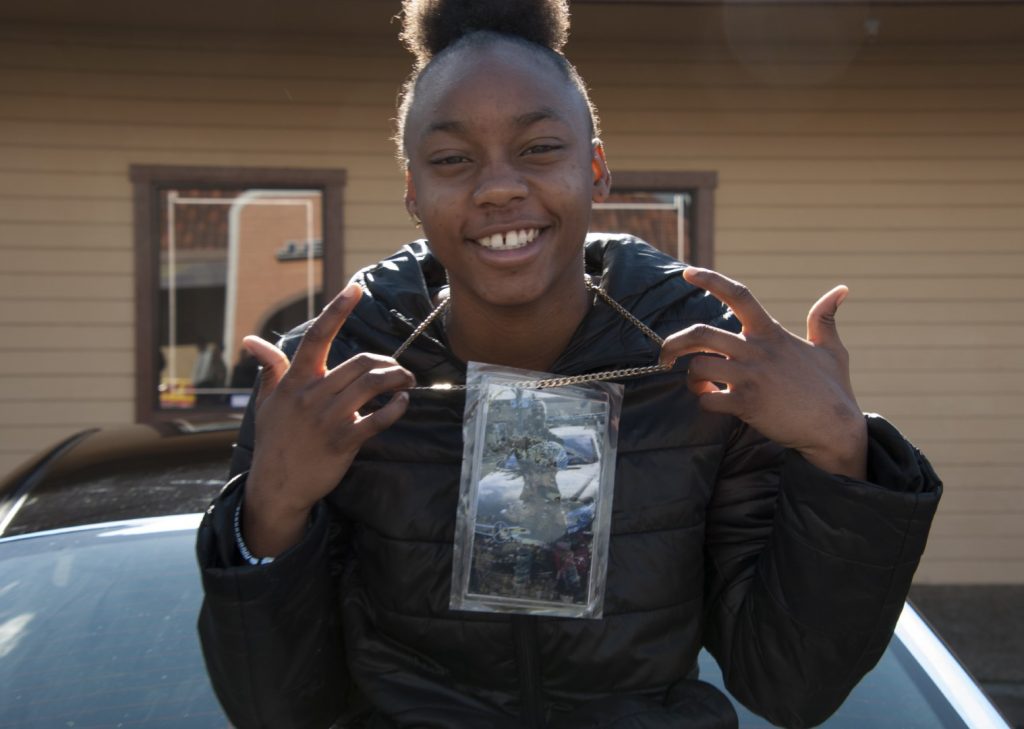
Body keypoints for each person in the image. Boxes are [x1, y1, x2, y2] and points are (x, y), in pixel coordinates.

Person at [196, 1, 941, 727]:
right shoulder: (327, 384)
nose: (498, 187)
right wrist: (271, 516)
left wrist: (842, 453)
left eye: (539, 148)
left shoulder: (708, 367)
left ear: (598, 170)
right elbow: (277, 708)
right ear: (413, 193)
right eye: (453, 159)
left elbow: (790, 684)